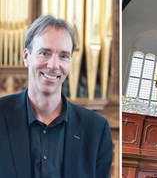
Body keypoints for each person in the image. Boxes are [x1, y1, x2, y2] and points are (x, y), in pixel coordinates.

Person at [0, 15, 113, 178]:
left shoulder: (96, 129)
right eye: (45, 53)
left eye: (63, 56)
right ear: (26, 57)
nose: (53, 65)